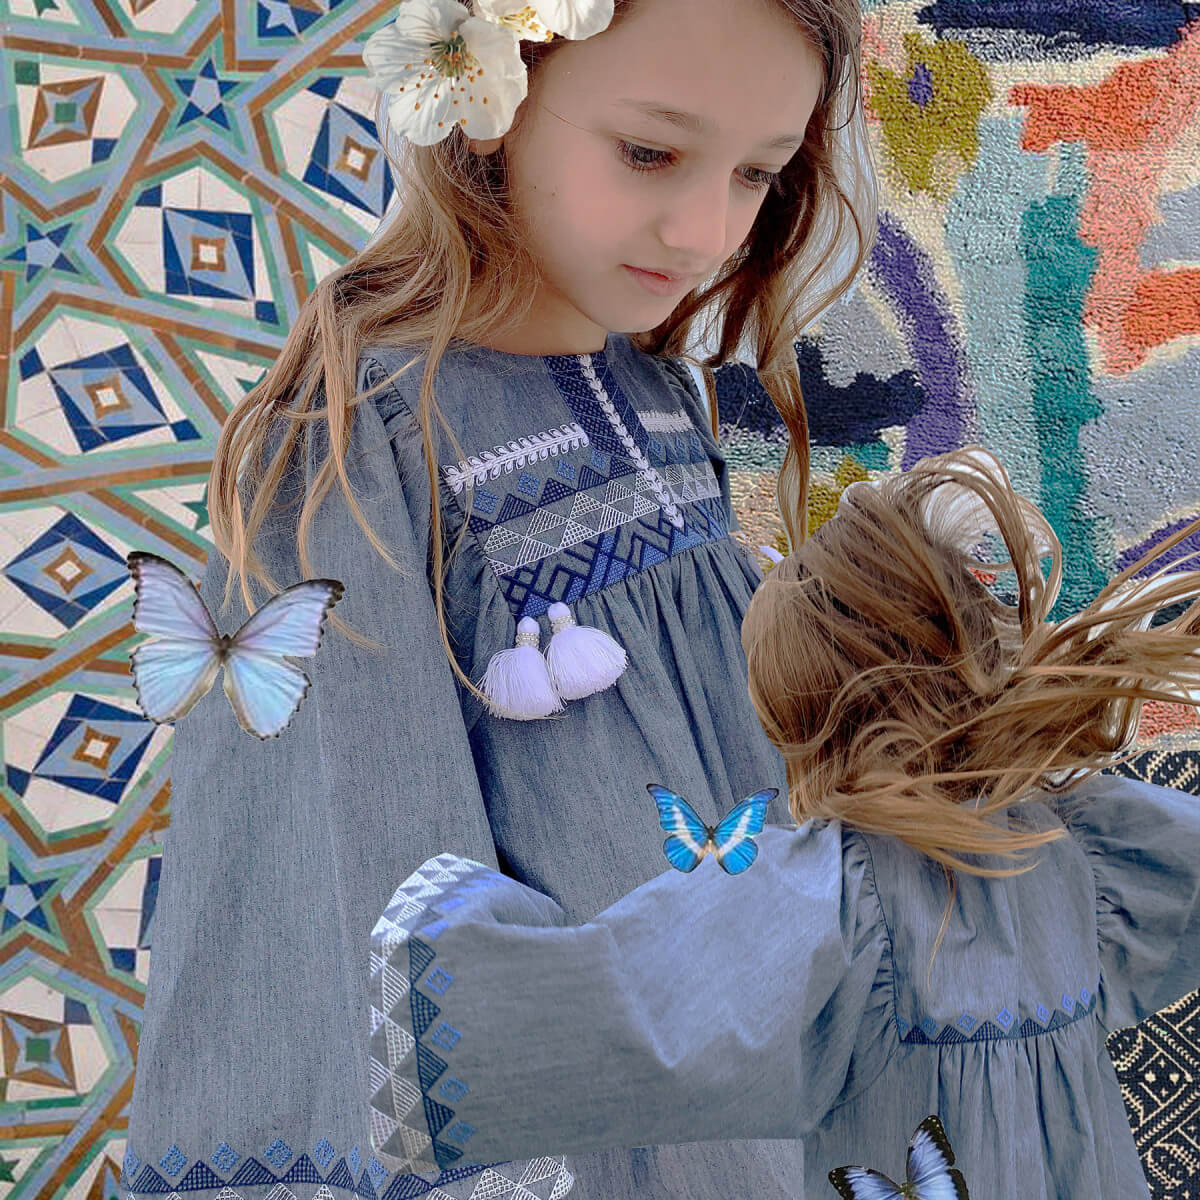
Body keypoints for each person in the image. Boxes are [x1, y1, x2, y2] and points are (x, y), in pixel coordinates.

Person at [122, 0, 877, 1197]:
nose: (704, 228)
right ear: (487, 107)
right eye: (648, 152)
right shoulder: (354, 442)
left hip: (749, 1076)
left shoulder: (662, 397)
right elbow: (368, 876)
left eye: (757, 174)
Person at [368, 447, 1200, 1199]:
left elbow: (637, 1011)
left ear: (804, 718)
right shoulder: (1080, 840)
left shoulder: (837, 894)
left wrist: (457, 936)